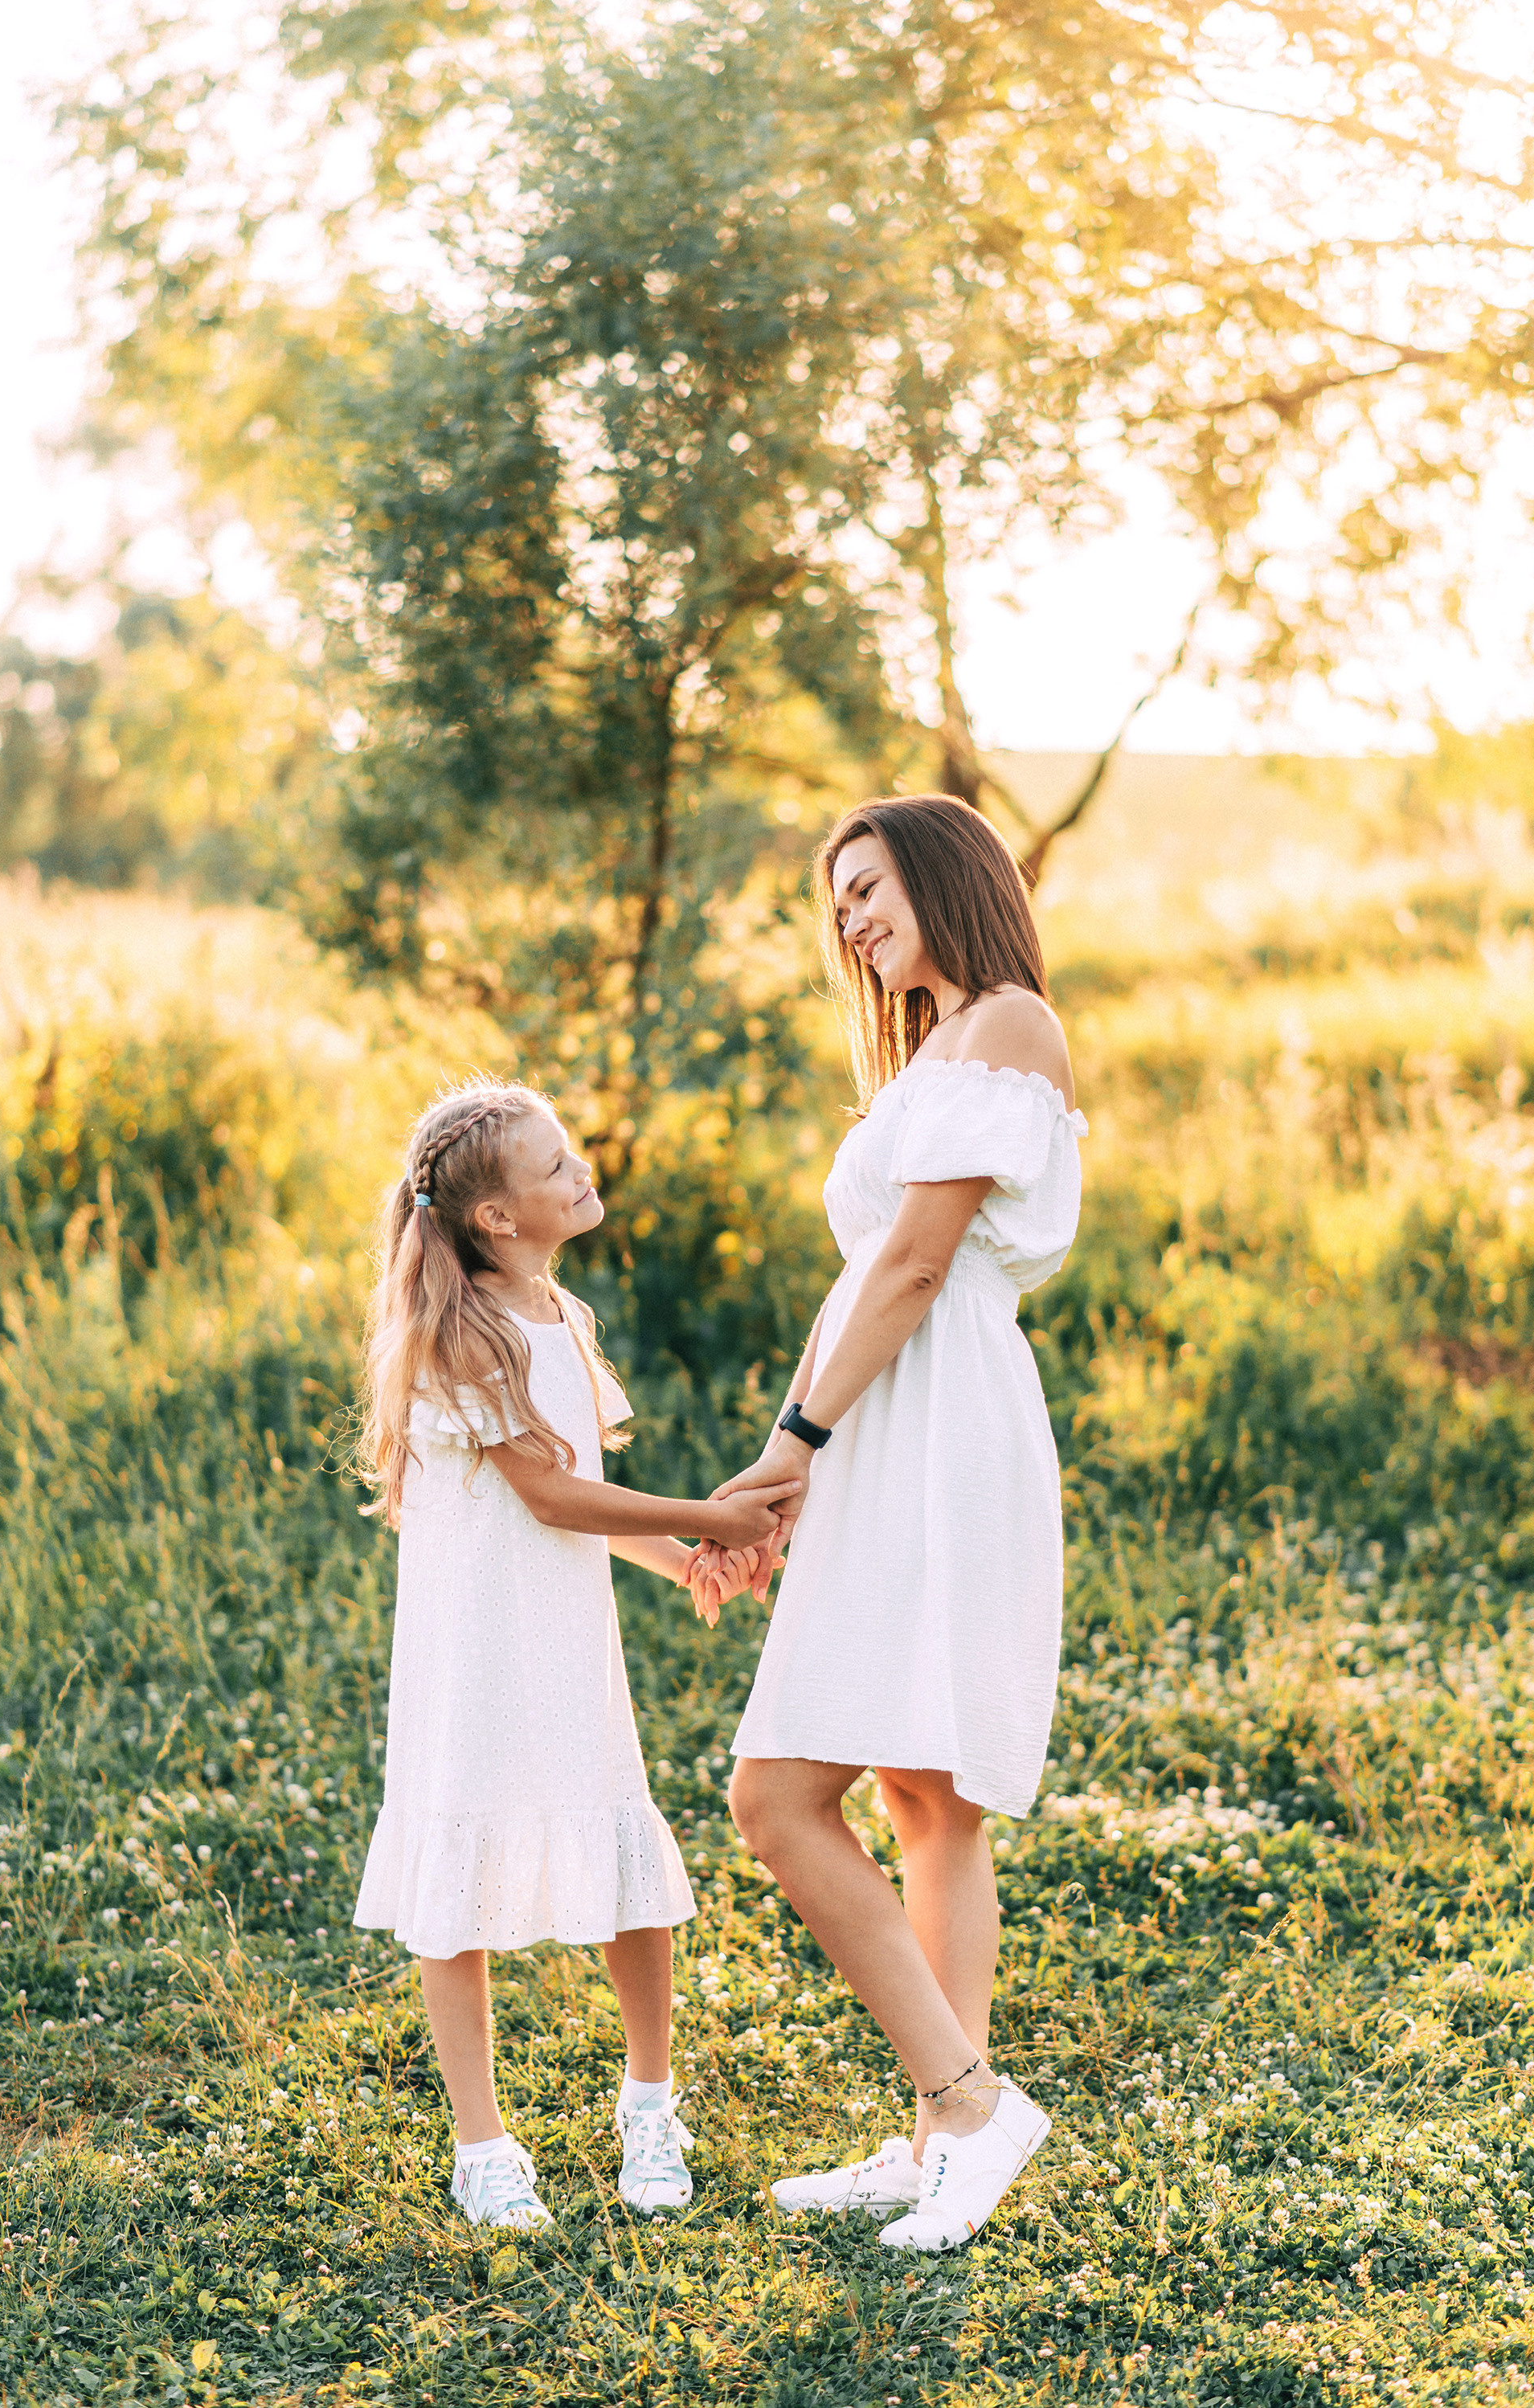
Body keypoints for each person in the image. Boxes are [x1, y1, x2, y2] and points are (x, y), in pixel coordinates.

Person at [702, 792, 1088, 2253]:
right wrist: (791, 1466)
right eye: (838, 901)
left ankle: (970, 2105)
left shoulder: (1006, 1026)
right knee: (920, 1797)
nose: (852, 919)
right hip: (887, 1430)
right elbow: (866, 1282)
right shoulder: (935, 1047)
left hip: (945, 1429)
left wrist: (799, 1440)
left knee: (785, 1796)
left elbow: (918, 1266)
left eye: (868, 886)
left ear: (943, 874)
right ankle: (942, 2129)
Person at [352, 1080, 794, 2230]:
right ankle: (481, 2143)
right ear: (496, 1216)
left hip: (564, 1640)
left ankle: (650, 2100)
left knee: (619, 1849)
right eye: (554, 1165)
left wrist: (689, 1553)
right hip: (474, 1648)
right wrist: (716, 1507)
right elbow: (549, 1494)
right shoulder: (463, 1332)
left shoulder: (560, 1313)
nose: (579, 1170)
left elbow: (586, 1501)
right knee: (460, 1885)